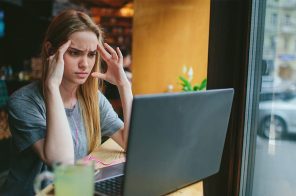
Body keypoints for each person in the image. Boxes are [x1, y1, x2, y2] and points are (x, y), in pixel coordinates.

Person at [0, 9, 132, 196]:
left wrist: (123, 85)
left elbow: (130, 141)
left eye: (92, 54)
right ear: (50, 51)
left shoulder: (92, 98)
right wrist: (52, 87)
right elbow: (62, 161)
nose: (85, 64)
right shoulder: (23, 102)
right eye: (75, 52)